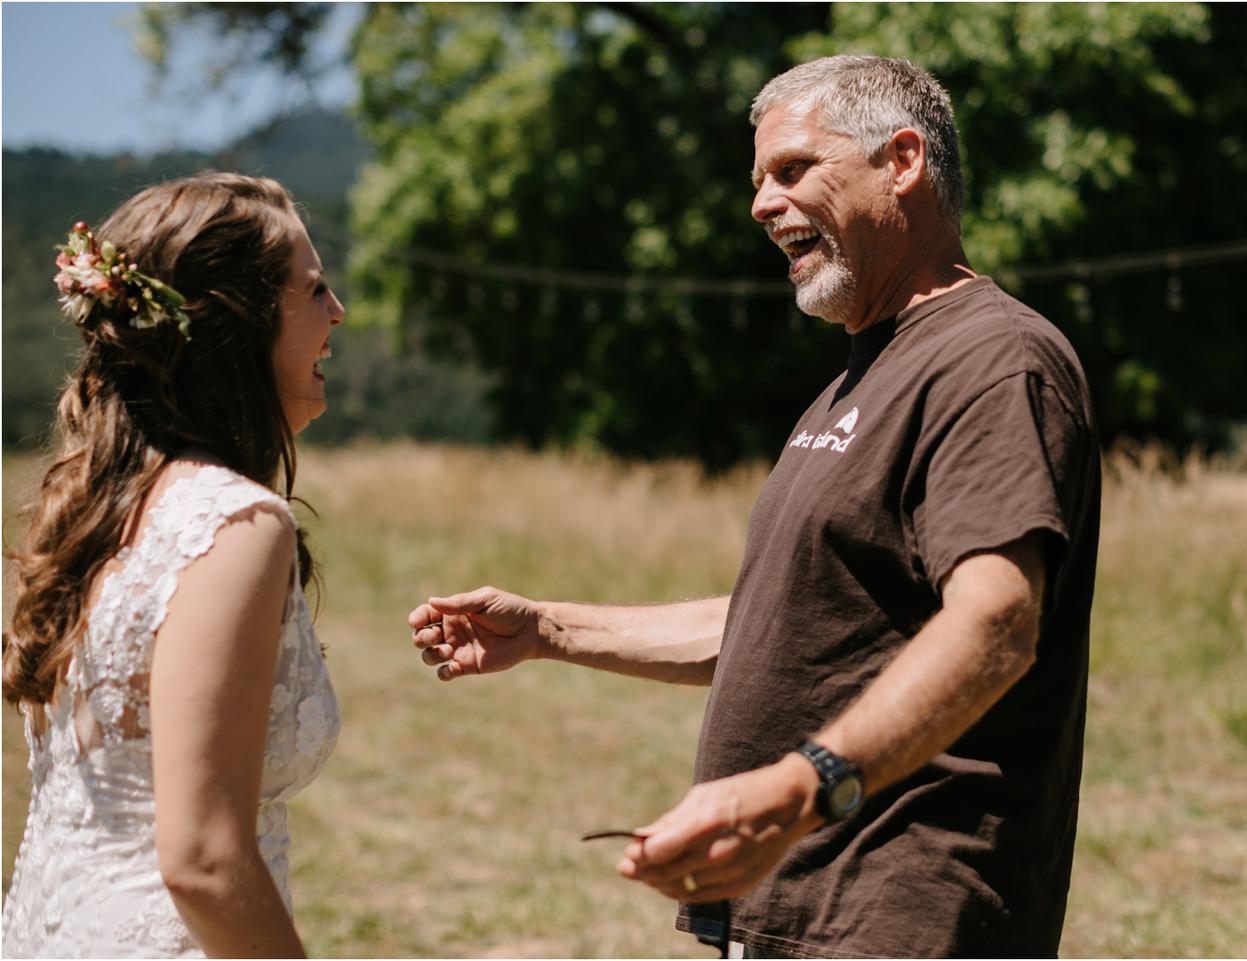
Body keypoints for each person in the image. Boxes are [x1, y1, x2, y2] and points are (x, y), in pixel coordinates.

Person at [410, 55, 1100, 958]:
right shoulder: (857, 377)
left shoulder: (993, 360)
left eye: (792, 169)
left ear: (901, 161)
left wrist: (801, 788)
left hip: (904, 909)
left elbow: (998, 622)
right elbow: (791, 627)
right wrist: (546, 629)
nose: (761, 206)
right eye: (757, 181)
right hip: (799, 904)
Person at [2, 172, 344, 958]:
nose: (337, 313)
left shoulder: (99, 512)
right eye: (314, 289)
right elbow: (202, 862)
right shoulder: (234, 524)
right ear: (236, 325)